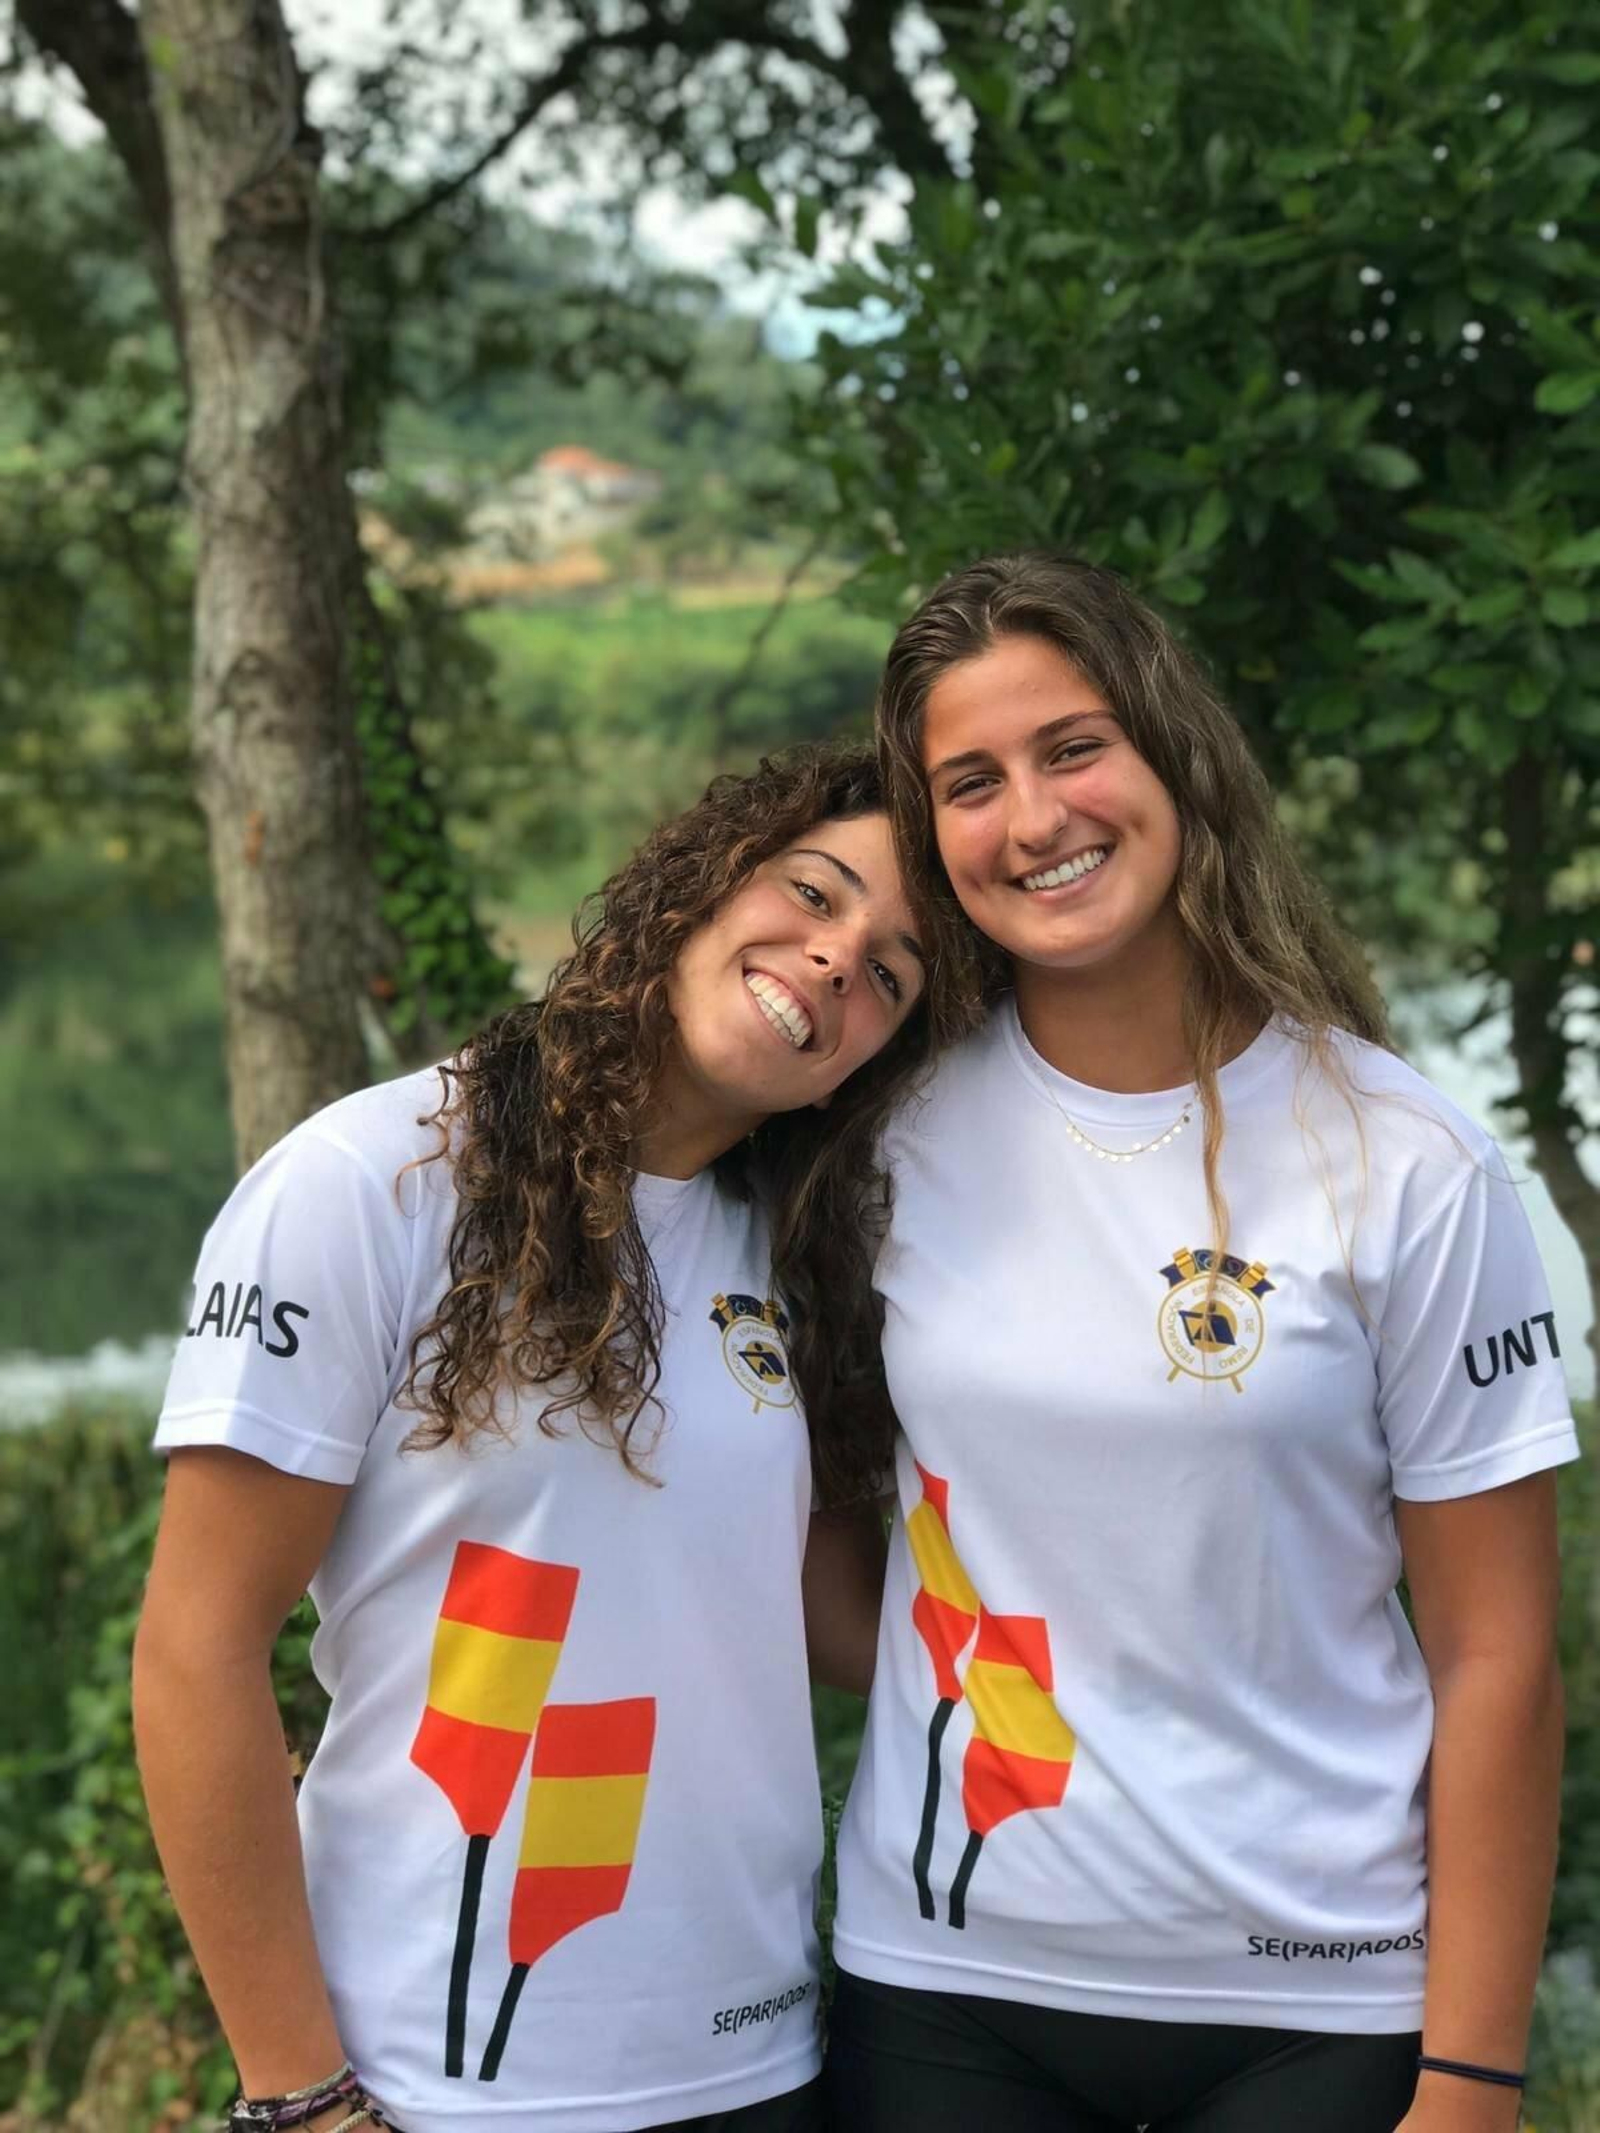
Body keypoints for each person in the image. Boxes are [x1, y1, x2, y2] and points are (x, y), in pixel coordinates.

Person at [826, 554, 1578, 2133]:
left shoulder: (1403, 1156)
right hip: (951, 1989)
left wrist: (1474, 2075)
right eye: (970, 782)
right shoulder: (882, 1135)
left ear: (1172, 752)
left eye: (1073, 747)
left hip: (1316, 1998)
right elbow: (785, 1495)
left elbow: (1497, 1654)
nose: (1034, 818)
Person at [133, 744, 958, 2133]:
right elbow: (194, 1650)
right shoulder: (370, 1182)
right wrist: (304, 2094)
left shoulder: (801, 1253)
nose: (833, 960)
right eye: (814, 893)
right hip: (436, 2077)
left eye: (891, 971)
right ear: (698, 884)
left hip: (760, 2056)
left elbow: (835, 1625)